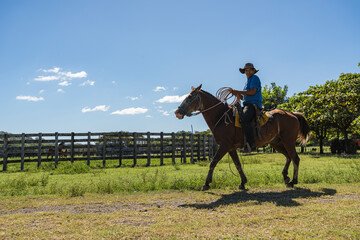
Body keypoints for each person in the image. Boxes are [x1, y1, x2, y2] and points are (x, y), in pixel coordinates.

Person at [230, 63, 263, 153]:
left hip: (253, 104)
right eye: (246, 70)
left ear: (253, 71)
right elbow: (245, 96)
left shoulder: (255, 78)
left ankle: (251, 145)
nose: (247, 72)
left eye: (249, 70)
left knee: (244, 119)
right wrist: (237, 94)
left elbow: (252, 92)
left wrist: (237, 91)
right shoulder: (247, 82)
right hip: (247, 104)